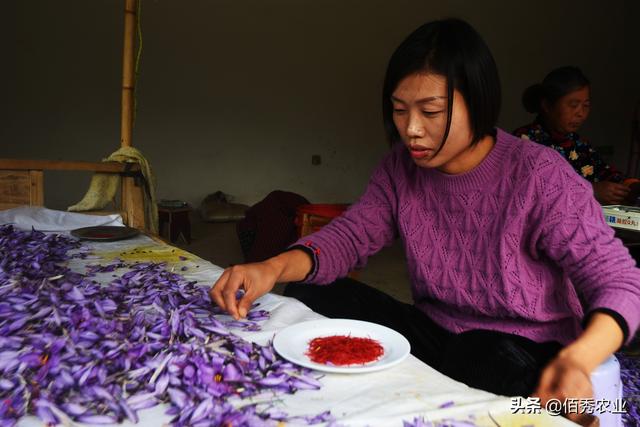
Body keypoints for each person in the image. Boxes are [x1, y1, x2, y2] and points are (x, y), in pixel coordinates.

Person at [210, 19, 640, 422]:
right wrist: (270, 266)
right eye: (400, 110)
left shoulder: (539, 174)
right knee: (315, 291)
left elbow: (620, 280)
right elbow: (352, 234)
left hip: (528, 350)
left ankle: (564, 410)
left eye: (430, 112)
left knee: (481, 356)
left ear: (479, 102)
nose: (411, 129)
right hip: (437, 332)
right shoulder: (401, 168)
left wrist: (578, 359)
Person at [513, 66, 638, 205]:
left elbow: (605, 173)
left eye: (586, 105)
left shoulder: (579, 145)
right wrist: (590, 191)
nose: (580, 113)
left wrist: (630, 186)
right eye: (573, 105)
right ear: (547, 106)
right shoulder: (524, 141)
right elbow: (533, 191)